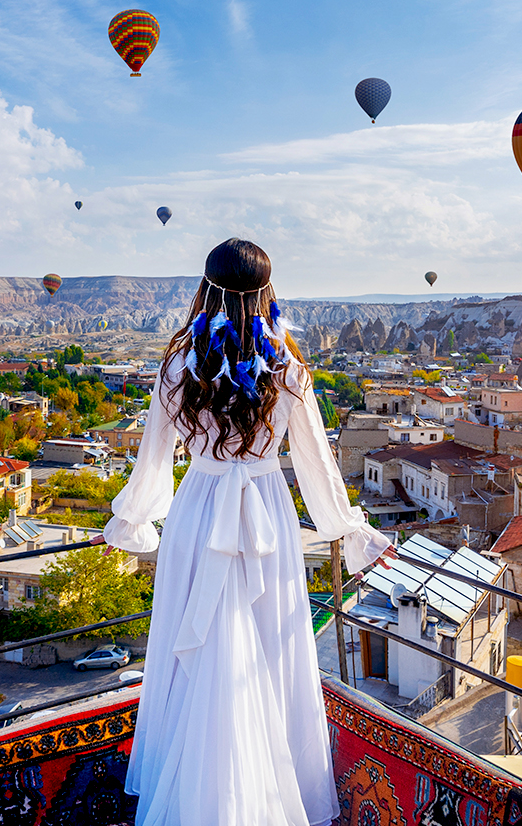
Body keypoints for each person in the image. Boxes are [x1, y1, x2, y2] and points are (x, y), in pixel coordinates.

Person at [99, 238, 396, 826]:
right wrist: (350, 531)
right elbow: (316, 467)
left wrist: (133, 518)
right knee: (274, 647)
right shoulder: (289, 370)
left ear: (205, 290)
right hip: (266, 517)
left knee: (193, 646)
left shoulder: (177, 367)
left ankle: (187, 792)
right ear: (268, 292)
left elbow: (153, 461)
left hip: (198, 514)